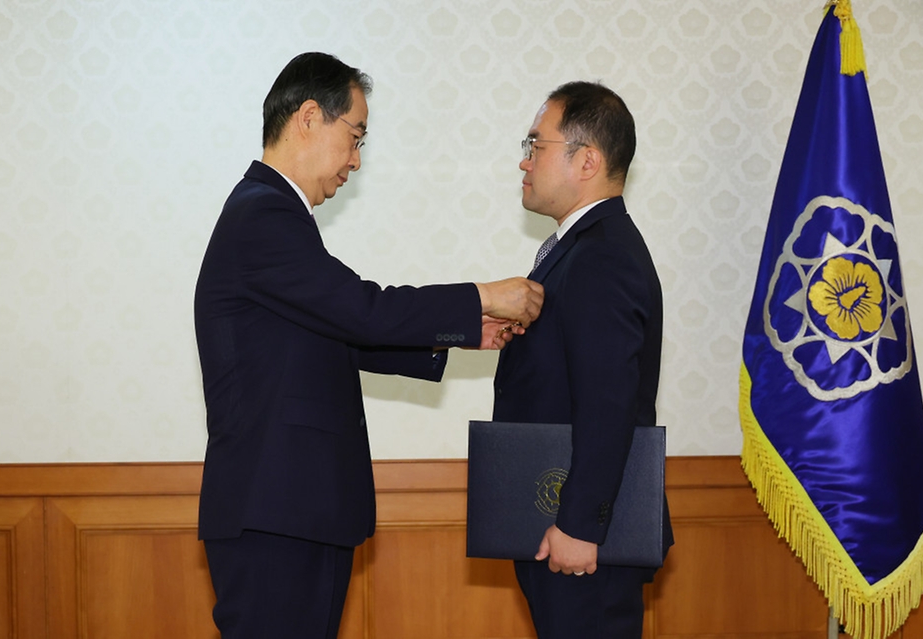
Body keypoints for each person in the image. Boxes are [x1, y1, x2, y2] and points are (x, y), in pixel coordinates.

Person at [193, 51, 543, 639]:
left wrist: (459, 334)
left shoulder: (270, 214)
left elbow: (334, 332)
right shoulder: (265, 216)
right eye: (354, 137)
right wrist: (480, 296)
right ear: (309, 117)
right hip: (276, 511)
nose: (356, 160)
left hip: (288, 510)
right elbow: (360, 309)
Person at [491, 81, 673, 638]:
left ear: (587, 159)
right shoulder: (581, 249)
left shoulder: (601, 257)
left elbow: (608, 402)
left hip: (584, 538)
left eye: (535, 145)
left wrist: (578, 525)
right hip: (563, 523)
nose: (523, 161)